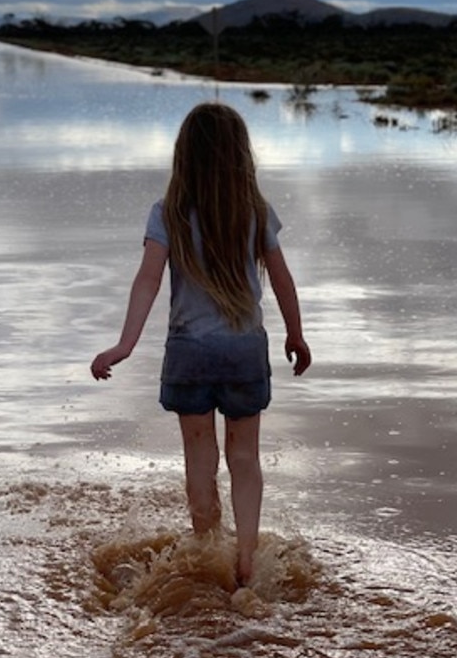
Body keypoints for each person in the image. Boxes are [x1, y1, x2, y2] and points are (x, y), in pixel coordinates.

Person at [90, 102, 311, 587]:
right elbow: (283, 280)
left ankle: (208, 550)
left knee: (200, 458)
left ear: (183, 156)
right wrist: (295, 334)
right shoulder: (256, 212)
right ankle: (247, 560)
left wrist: (124, 345)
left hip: (188, 353)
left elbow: (146, 281)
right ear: (239, 155)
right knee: (245, 459)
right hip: (244, 351)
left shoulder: (166, 214)